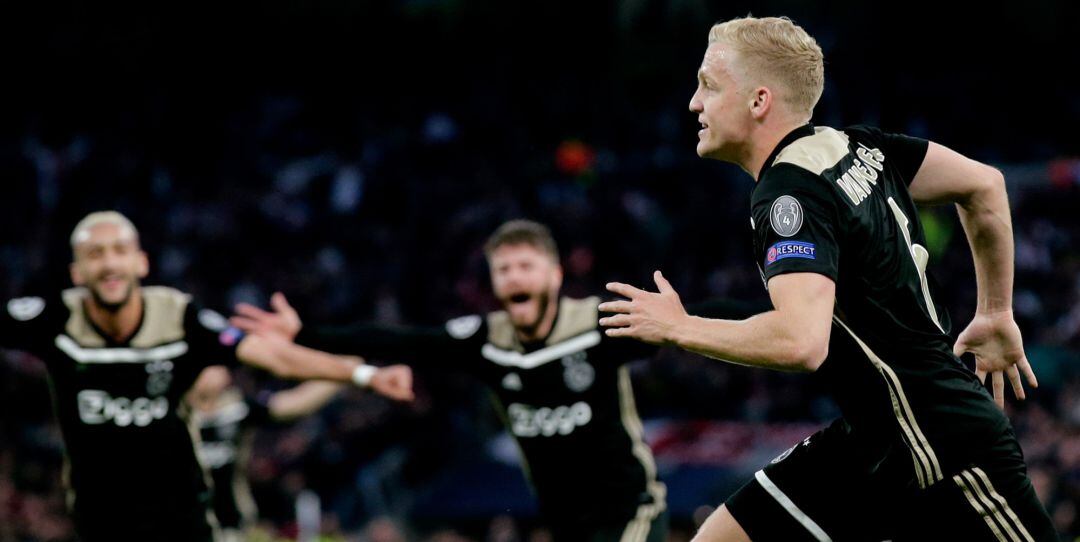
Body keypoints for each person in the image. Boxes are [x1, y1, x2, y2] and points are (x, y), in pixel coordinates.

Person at [597, 15, 1057, 542]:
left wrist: (679, 327)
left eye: (708, 85)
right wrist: (995, 312)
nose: (694, 104)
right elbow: (984, 185)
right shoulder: (855, 147)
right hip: (875, 440)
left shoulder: (788, 194)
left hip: (941, 441)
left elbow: (800, 341)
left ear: (758, 101)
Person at [231, 219, 764, 542]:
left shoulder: (596, 328)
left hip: (629, 507)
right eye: (503, 269)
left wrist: (779, 313)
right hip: (559, 518)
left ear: (554, 276)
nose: (514, 278)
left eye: (526, 266)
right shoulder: (483, 342)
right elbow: (398, 340)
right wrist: (307, 332)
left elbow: (698, 315)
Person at [0, 211, 414, 542]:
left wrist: (361, 374)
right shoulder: (53, 320)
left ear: (141, 261)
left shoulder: (180, 318)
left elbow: (273, 357)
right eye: (95, 254)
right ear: (76, 273)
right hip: (101, 518)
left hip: (181, 515)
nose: (109, 263)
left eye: (119, 250)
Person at [186, 366, 346, 542]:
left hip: (230, 522)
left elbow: (293, 403)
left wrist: (347, 372)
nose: (218, 373)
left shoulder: (236, 409)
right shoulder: (169, 414)